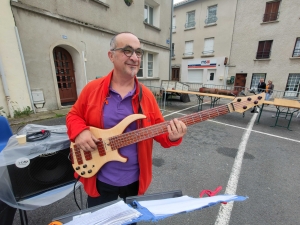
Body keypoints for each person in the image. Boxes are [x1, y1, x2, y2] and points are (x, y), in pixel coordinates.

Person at [66, 32, 187, 208]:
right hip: (99, 177)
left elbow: (161, 134)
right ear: (111, 56)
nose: (135, 58)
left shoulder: (147, 96)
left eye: (138, 52)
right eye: (127, 51)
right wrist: (80, 132)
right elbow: (73, 115)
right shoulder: (92, 89)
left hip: (134, 181)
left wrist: (174, 135)